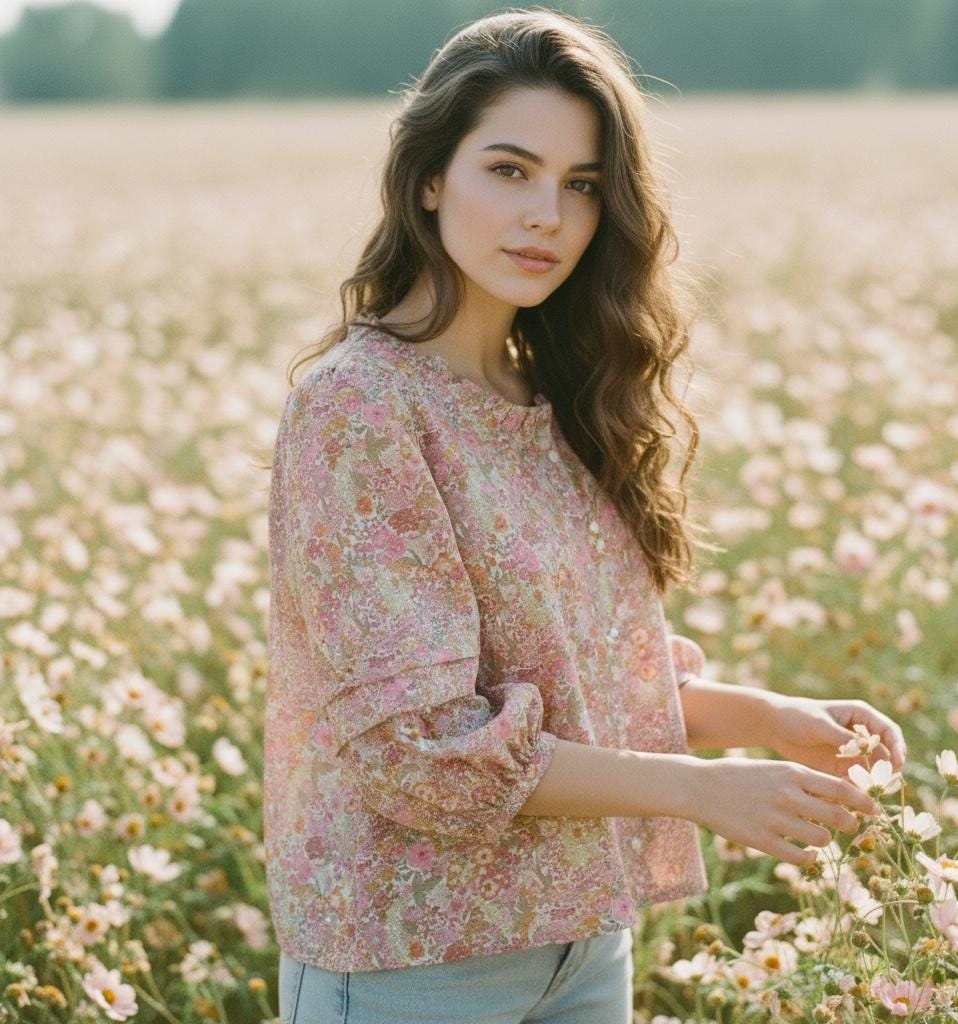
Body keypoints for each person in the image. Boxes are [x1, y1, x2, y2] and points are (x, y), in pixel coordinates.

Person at [263, 9, 906, 1024]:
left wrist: (763, 719)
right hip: (414, 960)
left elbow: (583, 678)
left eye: (580, 187)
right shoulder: (360, 404)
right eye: (509, 170)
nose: (546, 218)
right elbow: (420, 748)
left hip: (580, 940)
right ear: (430, 177)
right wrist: (696, 789)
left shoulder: (553, 394)